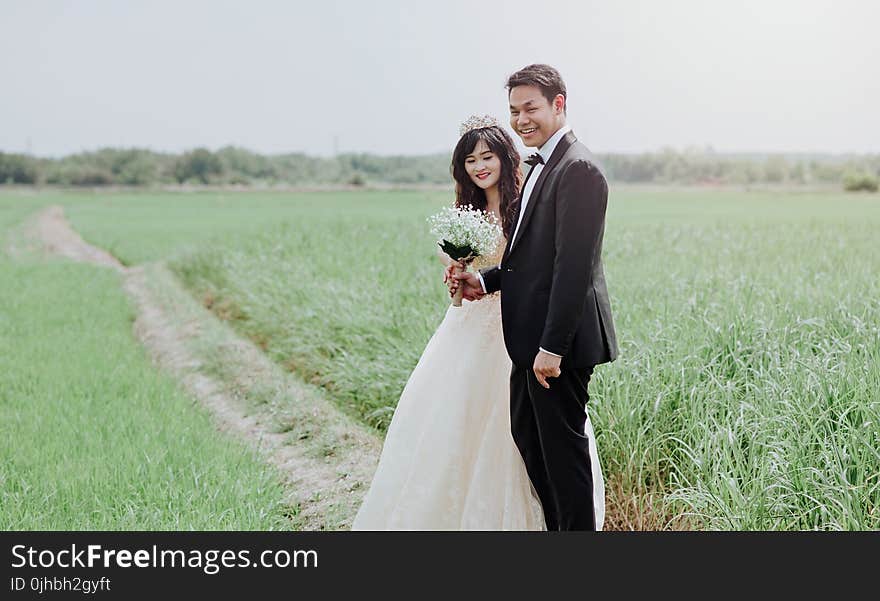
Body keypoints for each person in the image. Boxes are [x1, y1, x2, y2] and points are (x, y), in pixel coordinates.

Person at [352, 114, 604, 530]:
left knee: (527, 435)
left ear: (505, 158)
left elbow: (538, 267)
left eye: (487, 156)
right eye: (470, 160)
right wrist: (458, 278)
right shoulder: (462, 215)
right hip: (469, 331)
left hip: (518, 326)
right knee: (455, 426)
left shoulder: (525, 203)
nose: (479, 166)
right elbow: (459, 292)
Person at [450, 64, 618, 531]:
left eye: (531, 108)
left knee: (564, 459)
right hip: (527, 341)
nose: (522, 119)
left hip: (554, 345)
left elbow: (573, 269)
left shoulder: (577, 168)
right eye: (514, 111)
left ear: (558, 104)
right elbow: (529, 258)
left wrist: (553, 348)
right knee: (528, 436)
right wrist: (482, 282)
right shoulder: (540, 166)